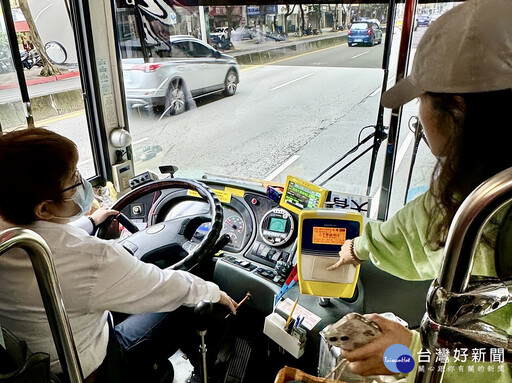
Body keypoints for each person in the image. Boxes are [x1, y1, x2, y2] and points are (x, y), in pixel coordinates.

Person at [327, 0, 512, 381]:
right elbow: (414, 229)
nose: (419, 117)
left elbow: (499, 366)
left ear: (457, 110)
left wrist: (410, 356)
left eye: (422, 100)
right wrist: (357, 247)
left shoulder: (495, 212)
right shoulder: (468, 191)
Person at [0, 128, 238, 382]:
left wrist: (91, 222)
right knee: (190, 301)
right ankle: (207, 373)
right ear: (44, 209)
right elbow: (164, 287)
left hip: (44, 365)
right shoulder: (92, 258)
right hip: (94, 369)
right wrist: (214, 292)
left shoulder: (12, 234)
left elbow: (48, 236)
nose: (83, 183)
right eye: (73, 179)